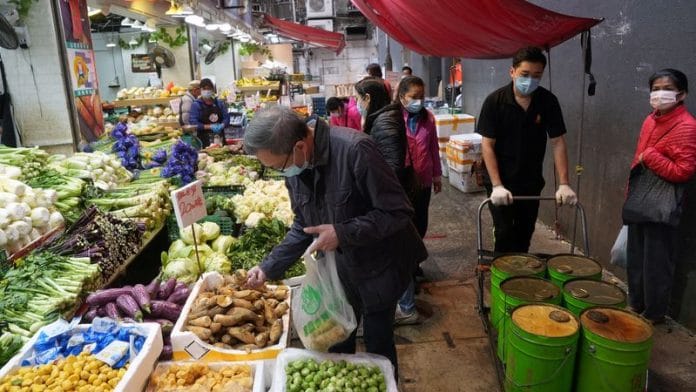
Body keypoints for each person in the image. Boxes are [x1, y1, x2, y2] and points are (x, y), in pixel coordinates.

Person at [243, 106, 427, 377]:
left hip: (380, 269)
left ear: (300, 146)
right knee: (337, 344)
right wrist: (268, 267)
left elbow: (398, 212)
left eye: (277, 167)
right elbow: (302, 227)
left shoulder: (356, 150)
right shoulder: (297, 167)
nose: (280, 173)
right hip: (340, 272)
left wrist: (342, 232)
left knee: (378, 349)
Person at [476, 46, 577, 254]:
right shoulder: (495, 102)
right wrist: (496, 185)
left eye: (536, 75)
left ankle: (521, 277)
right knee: (504, 232)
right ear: (512, 72)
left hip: (530, 180)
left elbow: (557, 141)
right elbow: (487, 145)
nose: (530, 80)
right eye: (524, 74)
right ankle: (502, 278)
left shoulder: (548, 102)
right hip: (500, 179)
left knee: (524, 233)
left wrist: (565, 183)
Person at [624, 68, 696, 324]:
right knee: (636, 259)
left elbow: (684, 171)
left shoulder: (687, 127)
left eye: (666, 89)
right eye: (655, 89)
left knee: (656, 263)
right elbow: (638, 159)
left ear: (682, 94)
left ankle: (654, 314)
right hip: (640, 198)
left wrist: (652, 157)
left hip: (662, 205)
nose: (659, 94)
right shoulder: (650, 120)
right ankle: (636, 304)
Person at [393, 76, 443, 324]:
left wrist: (437, 175)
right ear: (402, 97)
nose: (418, 101)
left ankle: (412, 265)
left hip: (422, 181)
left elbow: (433, 147)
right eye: (414, 97)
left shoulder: (428, 118)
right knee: (405, 227)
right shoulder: (393, 119)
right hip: (402, 184)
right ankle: (407, 273)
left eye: (421, 96)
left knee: (420, 224)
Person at [188, 78, 229, 148]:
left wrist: (222, 125)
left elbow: (227, 118)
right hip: (204, 139)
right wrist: (209, 126)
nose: (207, 91)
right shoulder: (196, 105)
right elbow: (193, 122)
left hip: (220, 137)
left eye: (209, 89)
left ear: (213, 90)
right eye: (204, 89)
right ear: (200, 90)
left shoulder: (219, 103)